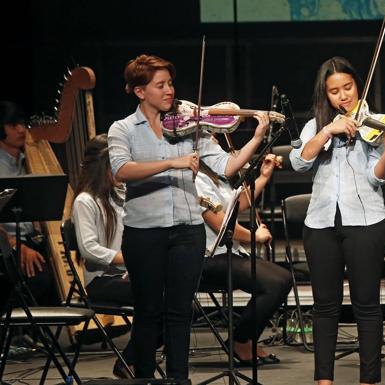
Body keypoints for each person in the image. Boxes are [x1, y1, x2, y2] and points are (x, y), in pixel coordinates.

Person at [107, 54, 269, 380]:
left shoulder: (189, 127)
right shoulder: (123, 129)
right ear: (140, 91)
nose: (170, 91)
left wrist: (256, 138)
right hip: (145, 232)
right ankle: (144, 378)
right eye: (160, 85)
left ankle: (179, 378)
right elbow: (121, 170)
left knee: (180, 312)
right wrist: (171, 164)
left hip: (187, 231)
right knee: (148, 312)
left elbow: (226, 167)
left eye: (171, 83)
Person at [289, 56, 385, 385]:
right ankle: (324, 380)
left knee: (366, 305)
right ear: (325, 95)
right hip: (320, 223)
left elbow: (378, 176)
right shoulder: (315, 125)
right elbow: (299, 162)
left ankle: (369, 381)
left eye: (348, 87)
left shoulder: (375, 123)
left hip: (366, 220)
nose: (343, 96)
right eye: (334, 91)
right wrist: (327, 130)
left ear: (358, 86)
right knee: (325, 307)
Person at [195, 152, 291, 366]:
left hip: (227, 253)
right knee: (273, 283)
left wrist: (263, 177)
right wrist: (254, 237)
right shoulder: (195, 178)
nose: (220, 147)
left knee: (283, 279)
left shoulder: (214, 175)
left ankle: (245, 339)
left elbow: (237, 203)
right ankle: (240, 341)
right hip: (206, 257)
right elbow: (221, 223)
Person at [71, 133, 142, 378]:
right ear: (104, 167)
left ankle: (137, 361)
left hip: (125, 274)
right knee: (156, 297)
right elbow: (89, 249)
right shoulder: (85, 201)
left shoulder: (120, 197)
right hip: (101, 281)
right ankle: (133, 361)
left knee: (174, 298)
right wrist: (131, 260)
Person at [0, 101, 57, 309]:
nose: (21, 130)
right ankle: (9, 330)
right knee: (41, 278)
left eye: (22, 124)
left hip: (29, 239)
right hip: (6, 244)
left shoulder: (27, 160)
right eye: (13, 125)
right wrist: (16, 245)